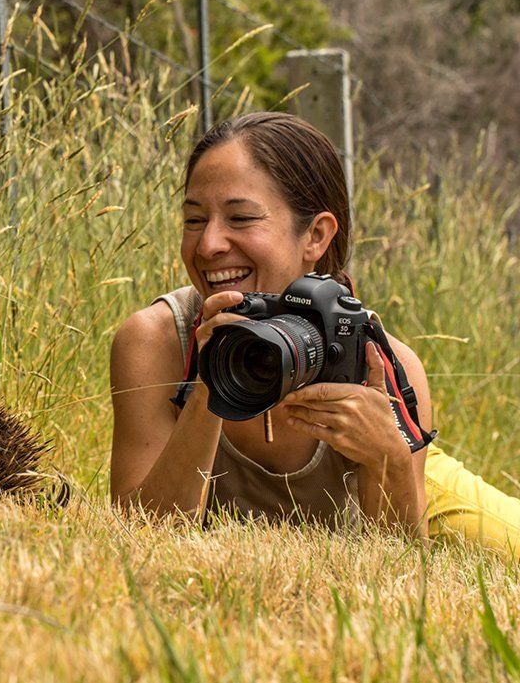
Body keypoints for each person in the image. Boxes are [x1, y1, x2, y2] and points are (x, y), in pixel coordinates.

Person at [110, 112, 520, 557]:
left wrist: (391, 460)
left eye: (241, 218)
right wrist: (212, 382)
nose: (208, 245)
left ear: (316, 236)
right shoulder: (155, 341)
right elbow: (140, 539)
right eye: (194, 220)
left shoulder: (381, 364)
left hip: (422, 479)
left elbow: (402, 571)